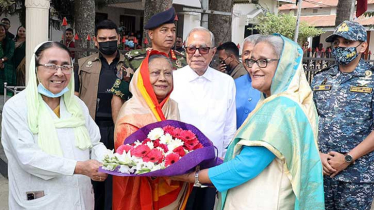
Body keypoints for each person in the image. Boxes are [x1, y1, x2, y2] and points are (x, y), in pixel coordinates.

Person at [173, 34, 325, 210]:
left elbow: (245, 166)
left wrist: (191, 177)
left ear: (284, 65)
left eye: (263, 61)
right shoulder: (279, 102)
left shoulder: (280, 108)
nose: (253, 68)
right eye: (252, 61)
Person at [1, 41, 108, 209]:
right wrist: (79, 167)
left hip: (80, 198)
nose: (59, 73)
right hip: (40, 200)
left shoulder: (77, 105)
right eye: (51, 65)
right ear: (35, 68)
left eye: (66, 66)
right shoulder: (17, 107)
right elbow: (27, 157)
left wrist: (106, 162)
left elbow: (94, 143)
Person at [113, 51, 191, 210]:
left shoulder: (173, 106)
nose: (162, 78)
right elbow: (127, 160)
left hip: (169, 185)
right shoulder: (131, 111)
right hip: (136, 188)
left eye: (168, 73)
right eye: (155, 73)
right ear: (142, 78)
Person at [171, 27, 236, 210]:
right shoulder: (173, 80)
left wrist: (224, 163)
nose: (197, 54)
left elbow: (229, 128)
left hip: (211, 168)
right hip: (178, 168)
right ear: (185, 50)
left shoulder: (226, 83)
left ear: (213, 52)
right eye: (192, 48)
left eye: (204, 49)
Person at [312, 20, 374, 210]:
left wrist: (347, 158)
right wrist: (317, 155)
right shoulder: (320, 78)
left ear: (362, 46)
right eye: (337, 42)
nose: (340, 47)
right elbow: (307, 121)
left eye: (347, 43)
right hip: (320, 172)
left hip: (357, 178)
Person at [75, 19, 132, 210]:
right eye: (103, 39)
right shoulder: (83, 65)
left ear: (119, 39)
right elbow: (75, 96)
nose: (107, 42)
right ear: (96, 41)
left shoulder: (131, 64)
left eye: (111, 38)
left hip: (121, 129)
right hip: (92, 128)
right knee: (95, 176)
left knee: (121, 176)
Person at [111, 7, 188, 104]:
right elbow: (119, 95)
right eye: (164, 30)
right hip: (143, 116)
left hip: (176, 116)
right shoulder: (134, 59)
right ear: (151, 34)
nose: (170, 35)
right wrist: (121, 119)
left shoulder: (184, 60)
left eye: (173, 30)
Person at [234, 35, 261, 128]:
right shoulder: (233, 84)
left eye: (254, 52)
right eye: (246, 53)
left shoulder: (272, 86)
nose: (250, 57)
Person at [0, 23, 15, 95]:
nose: (0, 31)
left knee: (6, 85)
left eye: (2, 30)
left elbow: (10, 53)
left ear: (5, 31)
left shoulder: (10, 41)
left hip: (7, 65)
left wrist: (2, 60)